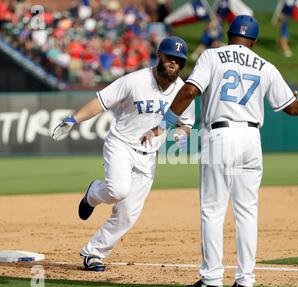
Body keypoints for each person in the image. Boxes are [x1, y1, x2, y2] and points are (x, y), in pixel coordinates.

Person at [142, 15, 298, 287]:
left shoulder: (213, 56)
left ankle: (211, 279)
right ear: (254, 42)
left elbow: (189, 90)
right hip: (251, 138)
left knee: (212, 209)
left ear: (229, 34)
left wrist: (164, 123)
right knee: (247, 211)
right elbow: (290, 107)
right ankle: (245, 280)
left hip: (220, 135)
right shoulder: (265, 66)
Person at [52, 36, 195, 272]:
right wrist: (73, 119)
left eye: (179, 60)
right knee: (118, 189)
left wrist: (182, 133)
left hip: (148, 156)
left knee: (127, 214)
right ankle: (93, 195)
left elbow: (186, 123)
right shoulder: (135, 80)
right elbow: (101, 101)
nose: (174, 63)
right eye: (170, 57)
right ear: (159, 56)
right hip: (121, 144)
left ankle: (94, 254)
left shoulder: (183, 91)